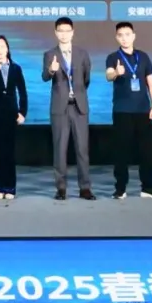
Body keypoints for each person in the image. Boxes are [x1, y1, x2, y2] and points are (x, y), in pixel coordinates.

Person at [105, 22, 152, 199]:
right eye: (120, 35)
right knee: (122, 151)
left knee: (146, 151)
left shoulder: (143, 57)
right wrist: (116, 73)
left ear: (134, 36)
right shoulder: (113, 57)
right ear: (116, 37)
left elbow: (150, 82)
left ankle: (148, 188)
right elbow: (108, 75)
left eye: (127, 34)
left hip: (143, 110)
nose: (124, 38)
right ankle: (120, 188)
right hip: (122, 111)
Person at [42, 17, 94, 200]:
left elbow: (86, 79)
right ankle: (61, 188)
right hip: (60, 108)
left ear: (72, 32)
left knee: (82, 149)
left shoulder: (82, 54)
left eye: (67, 31)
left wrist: (76, 94)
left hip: (79, 107)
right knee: (60, 149)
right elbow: (45, 77)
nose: (64, 34)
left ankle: (85, 188)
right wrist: (51, 70)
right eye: (60, 31)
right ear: (56, 33)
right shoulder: (50, 54)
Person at [0, 35, 28, 199]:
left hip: (10, 113)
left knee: (9, 151)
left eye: (2, 46)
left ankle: (9, 188)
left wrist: (22, 112)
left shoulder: (16, 68)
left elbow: (22, 91)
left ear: (8, 48)